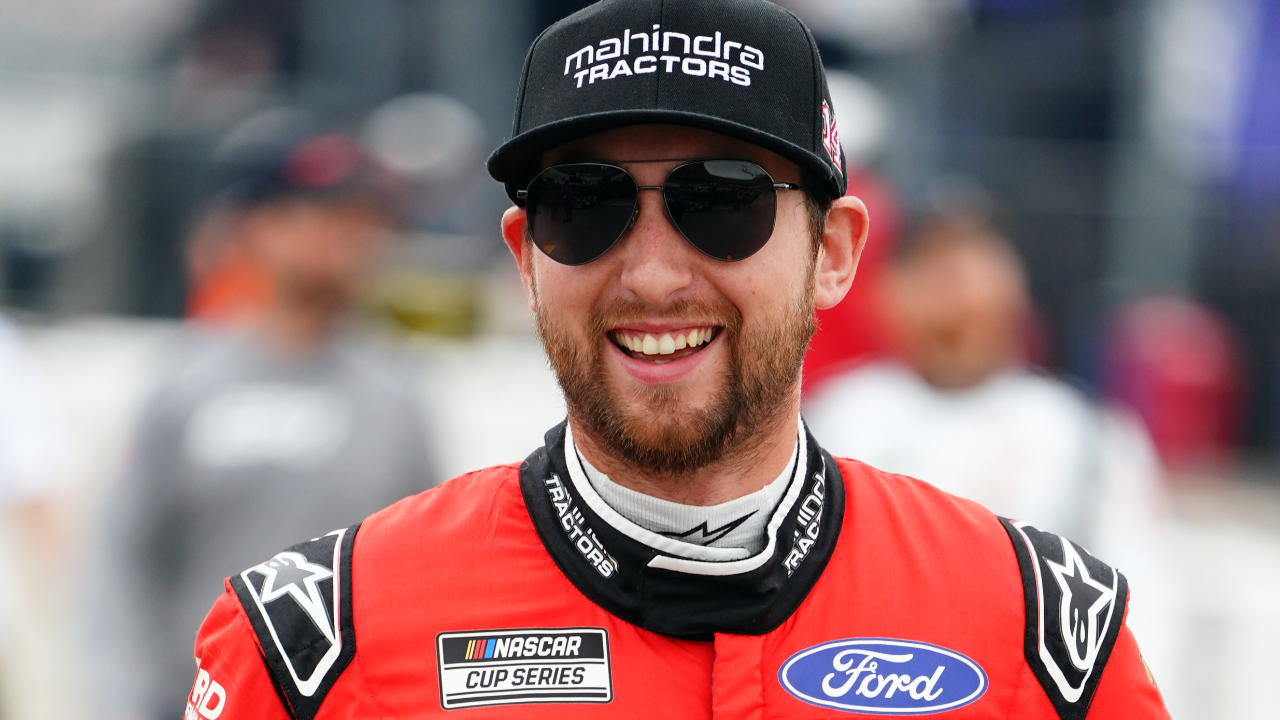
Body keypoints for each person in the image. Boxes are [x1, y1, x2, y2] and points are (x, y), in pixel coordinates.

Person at [187, 2, 1168, 718]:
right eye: (584, 204)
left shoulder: (1042, 632)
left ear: (832, 255)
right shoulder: (316, 641)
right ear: (525, 259)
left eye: (721, 201)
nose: (653, 276)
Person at [96, 113, 438, 720]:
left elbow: (428, 571)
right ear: (254, 227)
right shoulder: (182, 384)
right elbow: (123, 562)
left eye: (360, 217)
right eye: (318, 214)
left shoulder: (397, 394)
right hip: (195, 700)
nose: (346, 236)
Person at [804, 215, 1182, 690]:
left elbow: (1140, 599)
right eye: (932, 272)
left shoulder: (1085, 433)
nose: (955, 298)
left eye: (970, 271)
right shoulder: (831, 420)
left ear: (1015, 292)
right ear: (886, 295)